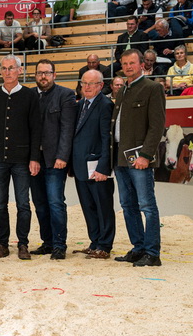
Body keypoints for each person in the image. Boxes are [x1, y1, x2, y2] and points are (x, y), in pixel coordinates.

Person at [111, 49, 165, 267]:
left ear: (142, 64)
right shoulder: (123, 90)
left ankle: (152, 253)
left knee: (147, 206)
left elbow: (157, 126)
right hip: (121, 159)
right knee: (128, 205)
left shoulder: (152, 88)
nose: (128, 67)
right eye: (124, 63)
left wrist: (146, 155)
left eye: (132, 63)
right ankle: (138, 247)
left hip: (140, 160)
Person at [0, 55, 41, 260]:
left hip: (22, 159)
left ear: (19, 70)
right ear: (0, 71)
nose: (8, 72)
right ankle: (1, 242)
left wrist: (34, 158)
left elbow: (36, 129)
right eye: (4, 68)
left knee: (23, 204)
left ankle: (23, 243)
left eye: (12, 68)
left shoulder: (29, 95)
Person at [29, 59, 76, 260]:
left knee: (56, 202)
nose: (43, 77)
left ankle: (59, 245)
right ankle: (47, 242)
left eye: (47, 73)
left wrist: (62, 156)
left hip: (55, 159)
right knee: (39, 202)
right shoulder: (29, 95)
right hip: (33, 159)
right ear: (35, 75)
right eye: (40, 73)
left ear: (54, 75)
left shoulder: (65, 95)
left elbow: (67, 129)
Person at [71, 70, 115, 259]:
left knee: (103, 206)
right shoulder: (80, 105)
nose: (87, 87)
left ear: (100, 86)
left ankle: (104, 245)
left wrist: (103, 167)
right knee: (88, 206)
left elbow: (107, 139)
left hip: (97, 167)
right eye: (84, 83)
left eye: (91, 83)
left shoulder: (105, 105)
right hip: (81, 166)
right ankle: (95, 241)